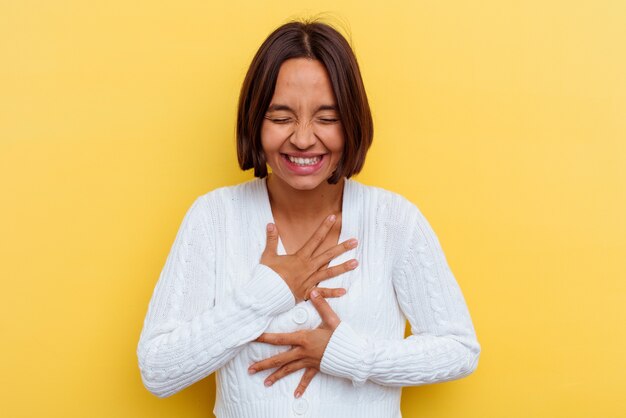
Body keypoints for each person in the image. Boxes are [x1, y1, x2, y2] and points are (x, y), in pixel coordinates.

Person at [137, 19, 481, 418]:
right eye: (281, 118)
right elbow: (158, 370)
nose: (302, 138)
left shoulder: (393, 220)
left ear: (352, 121)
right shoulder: (214, 218)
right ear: (254, 120)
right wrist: (268, 292)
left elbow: (459, 348)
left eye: (327, 118)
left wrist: (351, 355)